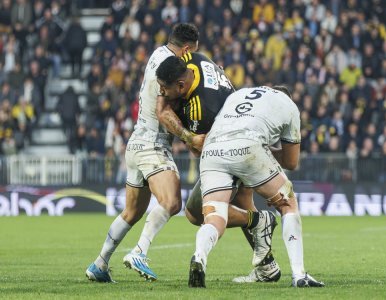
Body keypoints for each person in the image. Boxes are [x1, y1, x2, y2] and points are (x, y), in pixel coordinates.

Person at [85, 23, 201, 283]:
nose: (192, 59)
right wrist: (189, 136)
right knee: (172, 202)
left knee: (132, 212)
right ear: (185, 49)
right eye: (192, 53)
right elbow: (165, 111)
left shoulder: (157, 55)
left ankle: (100, 263)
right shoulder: (171, 69)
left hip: (136, 142)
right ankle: (140, 252)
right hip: (153, 144)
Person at [156, 54, 281, 283]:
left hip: (228, 150)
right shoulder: (193, 58)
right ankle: (268, 265)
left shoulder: (200, 109)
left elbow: (198, 147)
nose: (161, 93)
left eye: (164, 88)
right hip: (245, 134)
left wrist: (184, 135)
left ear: (181, 85)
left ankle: (259, 222)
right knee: (244, 203)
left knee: (196, 213)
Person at [191, 85, 324, 288]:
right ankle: (299, 275)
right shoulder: (288, 105)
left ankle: (199, 256)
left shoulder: (240, 93)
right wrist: (267, 149)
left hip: (212, 148)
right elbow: (291, 162)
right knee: (288, 203)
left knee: (214, 215)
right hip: (247, 145)